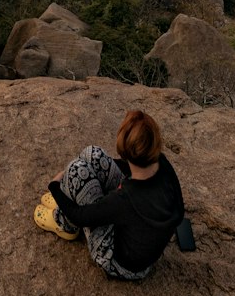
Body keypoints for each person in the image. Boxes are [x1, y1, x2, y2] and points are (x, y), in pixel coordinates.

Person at [34, 109, 184, 281]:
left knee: (76, 170)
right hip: (140, 242)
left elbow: (80, 217)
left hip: (120, 262)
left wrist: (54, 186)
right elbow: (178, 212)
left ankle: (63, 224)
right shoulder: (163, 165)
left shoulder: (126, 199)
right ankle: (68, 196)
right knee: (92, 154)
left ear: (126, 151)